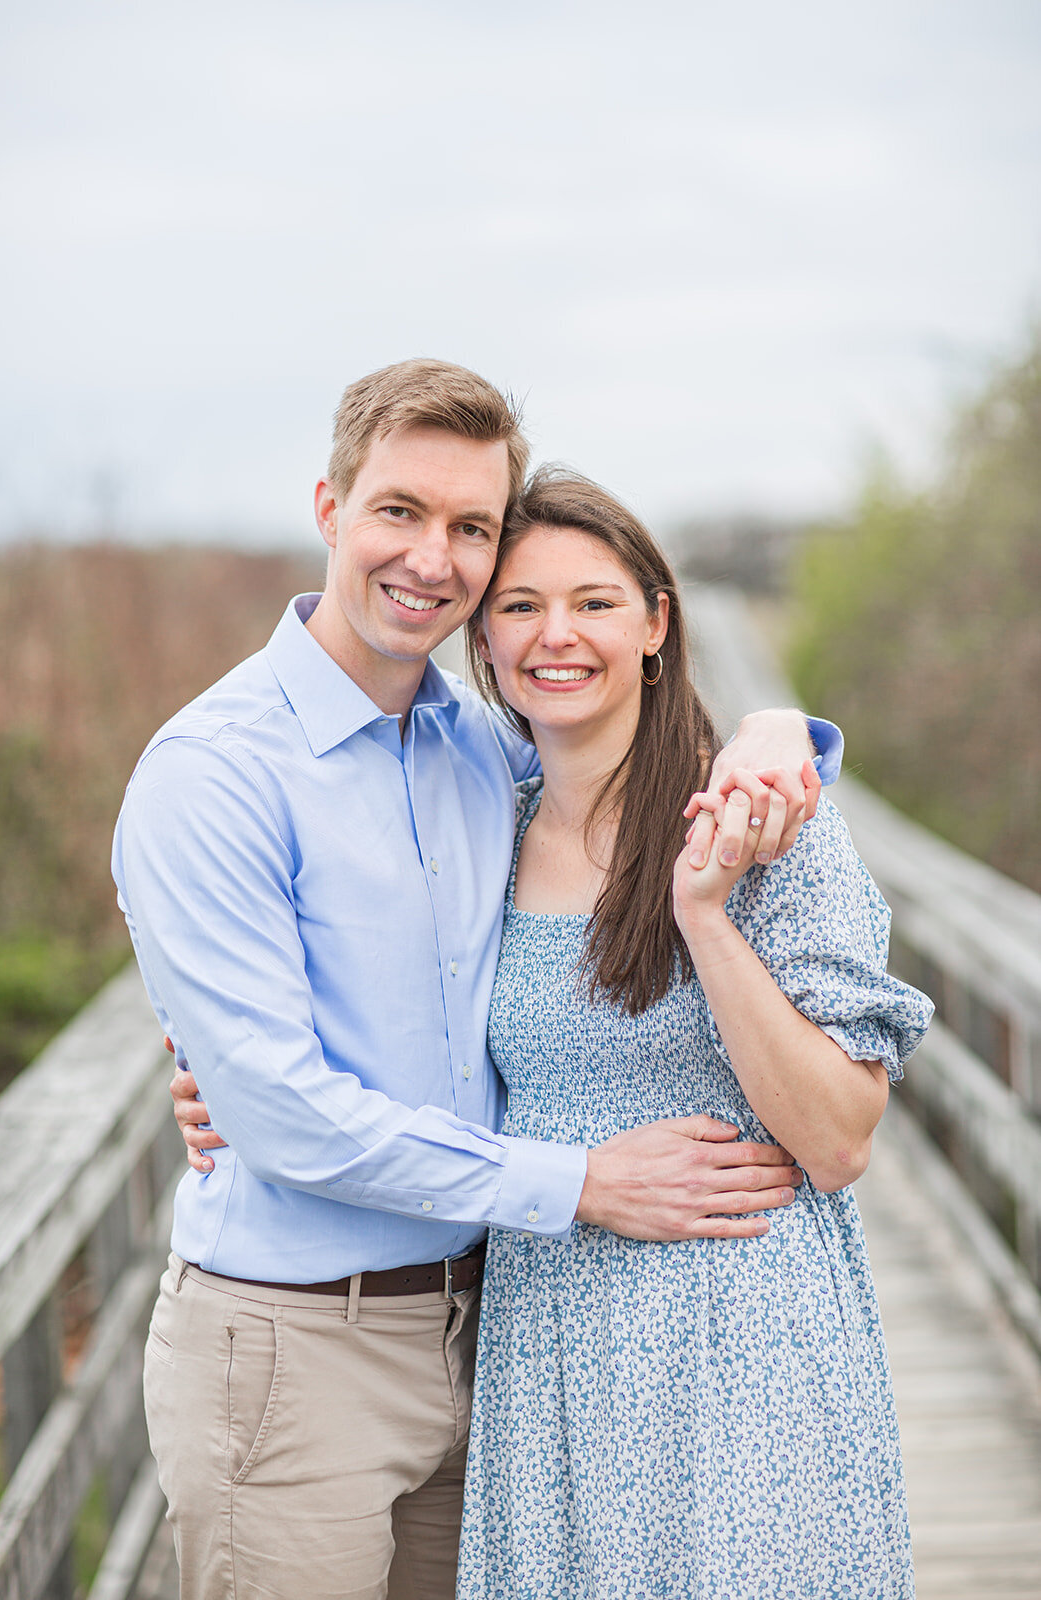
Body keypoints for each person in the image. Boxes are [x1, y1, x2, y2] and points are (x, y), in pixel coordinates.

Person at [113, 358, 842, 1600]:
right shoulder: (213, 772)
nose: (432, 559)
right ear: (331, 508)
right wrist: (583, 1182)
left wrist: (783, 731)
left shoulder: (476, 747)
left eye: (471, 528)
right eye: (400, 511)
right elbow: (284, 1114)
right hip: (297, 1350)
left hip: (491, 1340)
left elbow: (628, 714)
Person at [447, 467, 933, 1599]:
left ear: (657, 622)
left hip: (738, 1353)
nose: (554, 635)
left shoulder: (767, 822)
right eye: (518, 605)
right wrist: (227, 1081)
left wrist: (702, 915)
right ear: (482, 635)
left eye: (594, 601)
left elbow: (839, 1139)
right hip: (551, 1356)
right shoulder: (484, 829)